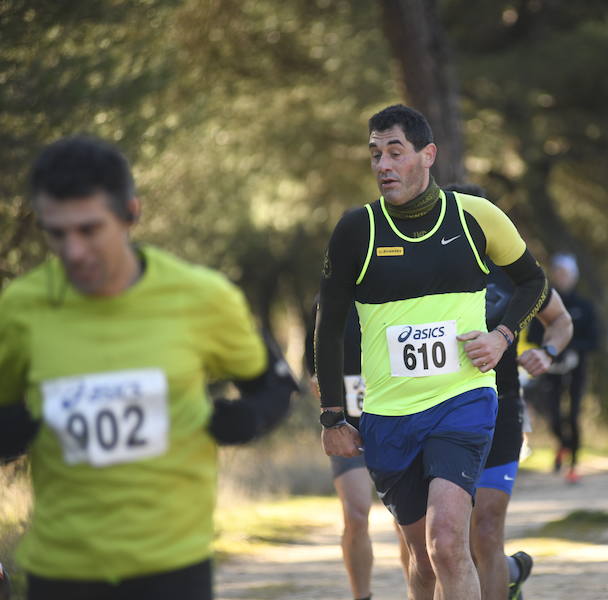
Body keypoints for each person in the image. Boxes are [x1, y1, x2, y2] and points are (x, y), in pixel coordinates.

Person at [0, 136, 295, 600]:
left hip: (173, 565)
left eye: (89, 229)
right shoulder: (21, 308)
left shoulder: (202, 298)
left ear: (131, 213)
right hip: (61, 569)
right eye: (56, 233)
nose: (73, 250)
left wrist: (248, 419)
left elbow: (272, 385)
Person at [315, 105, 548, 599]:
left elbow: (534, 282)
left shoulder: (475, 217)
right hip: (389, 414)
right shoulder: (357, 230)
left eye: (395, 153)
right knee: (421, 561)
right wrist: (333, 415)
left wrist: (502, 336)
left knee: (448, 543)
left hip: (462, 400)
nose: (382, 165)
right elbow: (329, 325)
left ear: (428, 155)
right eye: (375, 154)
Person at [445, 183, 573, 600]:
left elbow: (561, 321)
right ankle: (511, 573)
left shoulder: (516, 274)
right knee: (453, 536)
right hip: (442, 412)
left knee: (486, 528)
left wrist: (548, 353)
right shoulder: (429, 274)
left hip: (502, 408)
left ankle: (503, 575)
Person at [305, 301, 410, 599]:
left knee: (405, 518)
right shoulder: (329, 299)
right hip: (346, 424)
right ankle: (361, 595)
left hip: (396, 420)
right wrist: (316, 378)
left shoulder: (396, 289)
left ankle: (417, 588)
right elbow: (311, 353)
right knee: (356, 513)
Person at [527, 253, 598, 483]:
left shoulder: (585, 306)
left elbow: (594, 341)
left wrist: (572, 349)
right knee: (554, 417)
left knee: (574, 415)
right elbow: (533, 336)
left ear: (574, 276)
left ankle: (573, 464)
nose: (562, 277)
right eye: (557, 273)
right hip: (550, 368)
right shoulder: (543, 303)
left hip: (577, 368)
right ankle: (563, 445)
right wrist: (550, 351)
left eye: (566, 273)